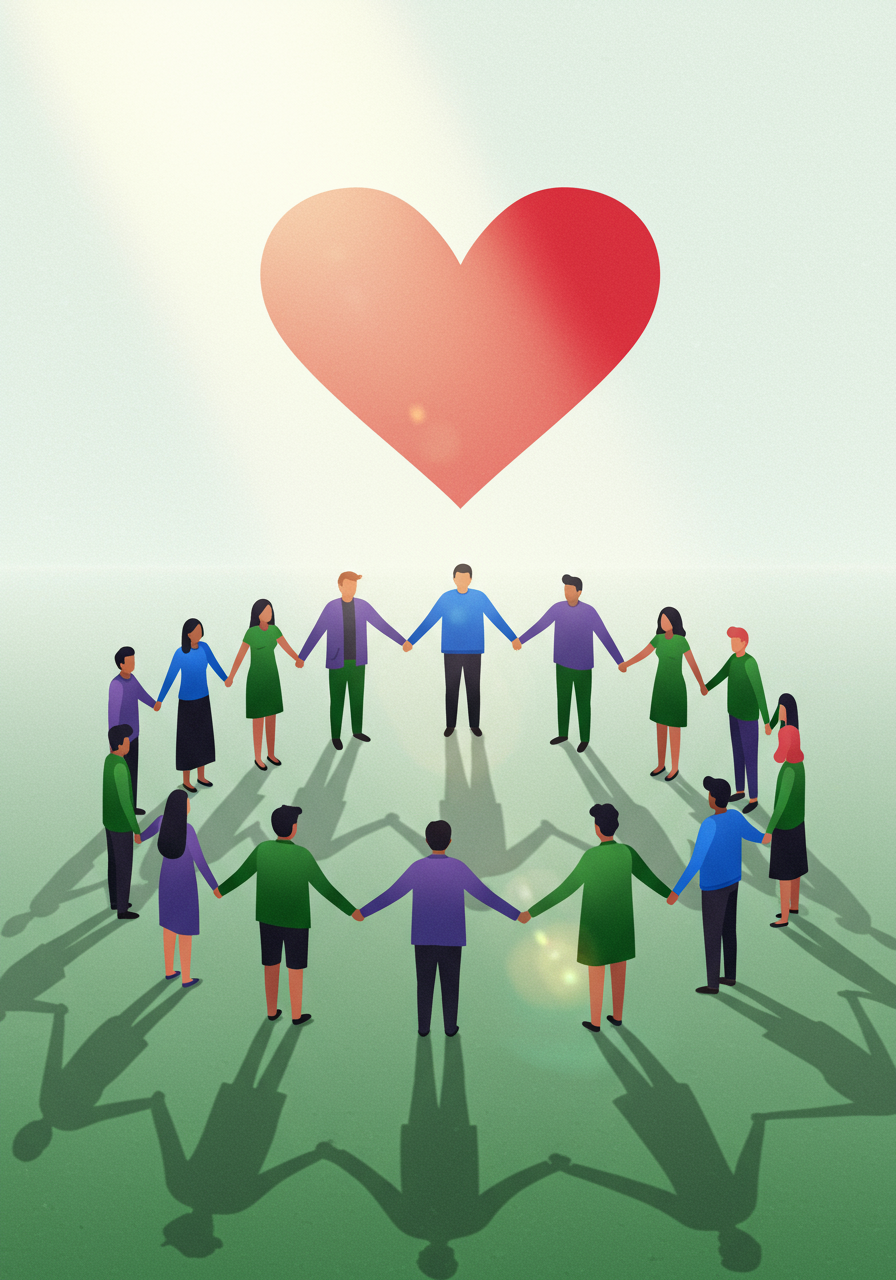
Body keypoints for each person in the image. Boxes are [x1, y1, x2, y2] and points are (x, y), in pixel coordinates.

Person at [356, 819, 523, 1035]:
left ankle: (423, 1028)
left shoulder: (417, 868)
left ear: (427, 841)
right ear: (450, 841)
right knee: (451, 986)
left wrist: (363, 912)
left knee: (424, 985)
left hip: (423, 938)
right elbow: (485, 896)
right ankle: (450, 1027)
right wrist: (516, 914)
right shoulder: (458, 868)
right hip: (452, 939)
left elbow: (392, 894)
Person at [519, 803, 670, 1031]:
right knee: (619, 971)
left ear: (598, 828)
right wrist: (670, 894)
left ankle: (596, 1021)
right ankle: (617, 1016)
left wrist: (531, 912)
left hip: (595, 927)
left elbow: (565, 890)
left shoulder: (591, 857)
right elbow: (649, 878)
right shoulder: (627, 853)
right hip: (622, 925)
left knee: (596, 976)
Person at [216, 804, 359, 1024]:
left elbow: (241, 875)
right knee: (295, 969)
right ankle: (296, 1014)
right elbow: (325, 888)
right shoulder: (302, 855)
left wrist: (220, 890)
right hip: (297, 921)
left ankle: (272, 1011)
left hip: (268, 918)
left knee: (270, 965)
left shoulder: (262, 849)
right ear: (293, 828)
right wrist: (352, 911)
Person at [666, 776, 765, 993]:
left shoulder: (709, 824)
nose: (708, 796)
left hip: (713, 888)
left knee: (712, 935)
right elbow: (758, 837)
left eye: (709, 793)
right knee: (729, 930)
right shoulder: (735, 817)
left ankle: (712, 983)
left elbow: (696, 862)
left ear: (713, 798)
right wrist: (773, 835)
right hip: (733, 883)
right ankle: (730, 976)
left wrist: (677, 891)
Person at [297, 572, 410, 750]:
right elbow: (317, 631)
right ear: (340, 586)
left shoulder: (363, 606)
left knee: (357, 699)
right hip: (337, 663)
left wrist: (402, 641)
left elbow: (381, 624)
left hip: (358, 662)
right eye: (349, 585)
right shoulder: (331, 608)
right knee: (337, 700)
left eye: (355, 585)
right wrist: (302, 656)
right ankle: (335, 736)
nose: (352, 588)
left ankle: (357, 731)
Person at [406, 564, 519, 737]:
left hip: (473, 651)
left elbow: (495, 617)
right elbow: (430, 620)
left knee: (473, 689)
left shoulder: (480, 597)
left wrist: (512, 637)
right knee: (451, 689)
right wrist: (411, 640)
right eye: (459, 578)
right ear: (453, 579)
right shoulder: (445, 598)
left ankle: (474, 725)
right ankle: (450, 725)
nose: (462, 581)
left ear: (470, 579)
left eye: (465, 578)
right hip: (451, 651)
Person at [515, 574, 624, 752]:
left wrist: (619, 661)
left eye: (569, 589)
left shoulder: (589, 612)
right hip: (562, 664)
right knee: (563, 700)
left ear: (579, 592)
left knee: (583, 703)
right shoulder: (557, 609)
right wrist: (521, 640)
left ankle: (584, 738)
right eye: (564, 588)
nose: (566, 592)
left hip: (583, 667)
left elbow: (604, 635)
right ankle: (563, 734)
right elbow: (540, 625)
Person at [140, 790, 222, 987]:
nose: (190, 805)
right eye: (188, 802)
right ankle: (186, 977)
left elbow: (139, 838)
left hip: (166, 881)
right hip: (185, 884)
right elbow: (200, 862)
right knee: (185, 931)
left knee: (168, 927)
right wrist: (215, 886)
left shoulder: (161, 822)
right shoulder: (189, 830)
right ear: (183, 807)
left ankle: (169, 970)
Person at [618, 607, 706, 781]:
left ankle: (674, 767)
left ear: (674, 621)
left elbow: (692, 664)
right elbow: (644, 653)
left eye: (666, 620)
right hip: (660, 688)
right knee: (660, 727)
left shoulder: (681, 642)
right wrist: (626, 663)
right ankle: (661, 764)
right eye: (661, 620)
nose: (663, 623)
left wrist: (701, 684)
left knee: (674, 728)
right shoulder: (658, 639)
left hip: (676, 689)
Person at [225, 599, 301, 770]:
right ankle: (258, 757)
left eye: (271, 611)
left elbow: (285, 646)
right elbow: (240, 656)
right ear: (257, 614)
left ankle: (271, 754)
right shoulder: (250, 633)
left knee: (272, 717)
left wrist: (297, 658)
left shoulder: (275, 630)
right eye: (266, 611)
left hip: (272, 679)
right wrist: (231, 676)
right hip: (256, 680)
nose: (269, 614)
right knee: (258, 720)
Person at [703, 627, 771, 813]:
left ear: (744, 642)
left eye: (735, 639)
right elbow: (721, 674)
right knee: (737, 753)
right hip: (733, 714)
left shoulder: (750, 663)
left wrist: (766, 720)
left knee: (751, 757)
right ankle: (740, 790)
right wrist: (707, 687)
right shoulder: (733, 660)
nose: (732, 642)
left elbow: (760, 691)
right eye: (731, 639)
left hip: (748, 717)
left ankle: (754, 797)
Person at [157, 619, 228, 793]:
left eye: (200, 630)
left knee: (203, 739)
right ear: (188, 634)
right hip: (187, 703)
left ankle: (201, 776)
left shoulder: (204, 648)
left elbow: (214, 664)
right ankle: (186, 780)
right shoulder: (180, 653)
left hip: (203, 700)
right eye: (196, 631)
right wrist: (160, 699)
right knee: (187, 741)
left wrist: (225, 678)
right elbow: (170, 676)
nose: (199, 634)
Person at [762, 694, 808, 928]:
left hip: (785, 827)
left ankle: (785, 917)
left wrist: (770, 829)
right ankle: (794, 905)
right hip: (798, 824)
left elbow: (780, 804)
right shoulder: (799, 765)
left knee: (784, 873)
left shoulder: (789, 770)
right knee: (797, 868)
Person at [108, 646, 161, 815]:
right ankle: (120, 810)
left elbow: (142, 694)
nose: (133, 664)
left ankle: (131, 806)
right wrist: (113, 742)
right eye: (130, 661)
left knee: (132, 773)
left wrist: (154, 704)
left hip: (134, 735)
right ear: (121, 664)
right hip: (121, 740)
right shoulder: (116, 684)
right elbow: (112, 713)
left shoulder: (133, 679)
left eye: (133, 660)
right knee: (121, 775)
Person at [103, 724, 142, 920]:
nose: (129, 744)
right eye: (127, 741)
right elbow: (126, 802)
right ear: (119, 744)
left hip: (109, 822)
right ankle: (122, 910)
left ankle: (115, 901)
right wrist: (136, 829)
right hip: (121, 825)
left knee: (113, 863)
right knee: (124, 866)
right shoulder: (120, 765)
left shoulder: (109, 760)